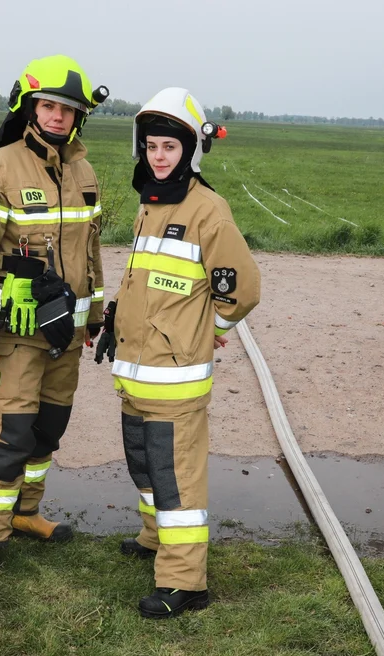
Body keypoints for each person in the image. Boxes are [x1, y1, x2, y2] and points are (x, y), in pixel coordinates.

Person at [95, 88, 260, 618]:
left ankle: (184, 582)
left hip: (175, 379)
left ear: (190, 150)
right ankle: (153, 538)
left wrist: (208, 327)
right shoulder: (153, 202)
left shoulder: (207, 209)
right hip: (137, 374)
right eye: (151, 146)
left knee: (175, 478)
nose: (159, 155)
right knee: (143, 466)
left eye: (169, 146)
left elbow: (243, 288)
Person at [0, 55, 108, 579]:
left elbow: (92, 253)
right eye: (48, 106)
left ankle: (24, 513)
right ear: (29, 108)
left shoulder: (85, 172)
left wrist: (95, 318)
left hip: (66, 334)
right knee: (10, 431)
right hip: (17, 334)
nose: (58, 117)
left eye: (68, 109)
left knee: (48, 429)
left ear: (78, 117)